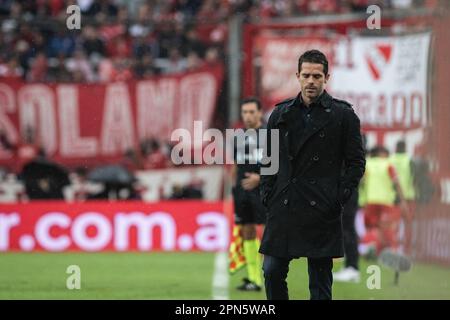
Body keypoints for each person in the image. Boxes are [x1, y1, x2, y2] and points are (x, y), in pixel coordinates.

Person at [259, 50, 366, 300]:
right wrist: (268, 195)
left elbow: (356, 163)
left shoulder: (343, 116)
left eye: (317, 76)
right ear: (297, 76)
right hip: (284, 206)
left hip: (322, 208)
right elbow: (269, 160)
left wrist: (338, 198)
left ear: (326, 78)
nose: (311, 81)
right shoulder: (280, 114)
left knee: (319, 284)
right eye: (306, 75)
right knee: (271, 271)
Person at [231, 97, 267, 291]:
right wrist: (233, 186)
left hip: (263, 190)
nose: (248, 116)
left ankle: (268, 275)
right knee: (247, 230)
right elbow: (236, 164)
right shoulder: (238, 136)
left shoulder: (270, 135)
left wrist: (260, 178)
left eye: (252, 112)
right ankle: (254, 278)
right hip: (242, 191)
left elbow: (279, 165)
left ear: (260, 113)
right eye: (245, 112)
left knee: (267, 231)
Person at [389, 140, 416, 253]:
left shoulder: (390, 160)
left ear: (396, 148)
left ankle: (394, 249)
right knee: (408, 224)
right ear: (405, 147)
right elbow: (414, 178)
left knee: (394, 224)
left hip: (393, 197)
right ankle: (407, 250)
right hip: (408, 196)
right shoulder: (410, 160)